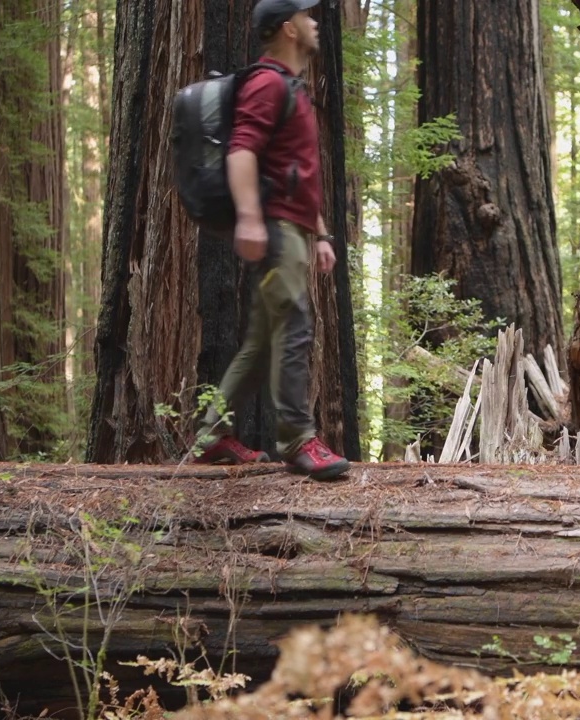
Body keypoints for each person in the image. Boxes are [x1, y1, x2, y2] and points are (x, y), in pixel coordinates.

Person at [193, 0, 350, 481]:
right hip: (277, 229)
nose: (315, 21)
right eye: (308, 14)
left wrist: (320, 231)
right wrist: (250, 219)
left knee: (262, 342)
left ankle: (210, 435)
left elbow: (297, 173)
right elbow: (242, 151)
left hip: (295, 228)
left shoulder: (291, 87)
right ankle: (298, 440)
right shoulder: (266, 83)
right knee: (296, 325)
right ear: (288, 27)